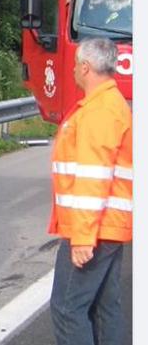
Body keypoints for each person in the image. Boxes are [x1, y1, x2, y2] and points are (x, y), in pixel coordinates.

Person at [48, 37, 132, 345]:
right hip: (107, 226)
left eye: (74, 66)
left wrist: (82, 238)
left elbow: (92, 179)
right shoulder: (111, 105)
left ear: (86, 67)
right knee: (105, 308)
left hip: (92, 230)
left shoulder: (100, 111)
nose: (72, 71)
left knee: (68, 309)